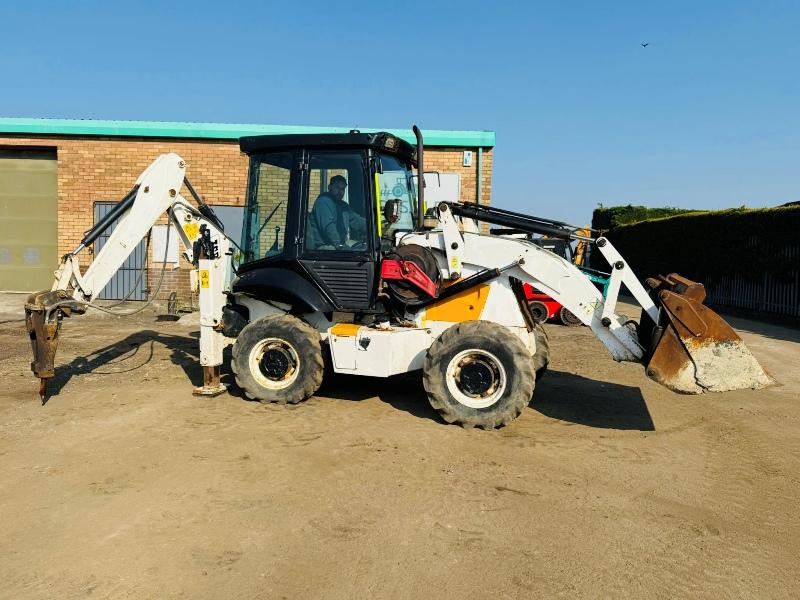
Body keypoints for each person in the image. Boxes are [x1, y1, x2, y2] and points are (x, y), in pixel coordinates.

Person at [307, 174, 367, 249]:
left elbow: (357, 220)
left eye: (343, 189)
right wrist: (340, 245)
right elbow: (328, 227)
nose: (340, 191)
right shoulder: (323, 202)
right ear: (329, 187)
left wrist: (372, 226)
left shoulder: (343, 206)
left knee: (363, 248)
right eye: (337, 188)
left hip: (339, 243)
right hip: (324, 246)